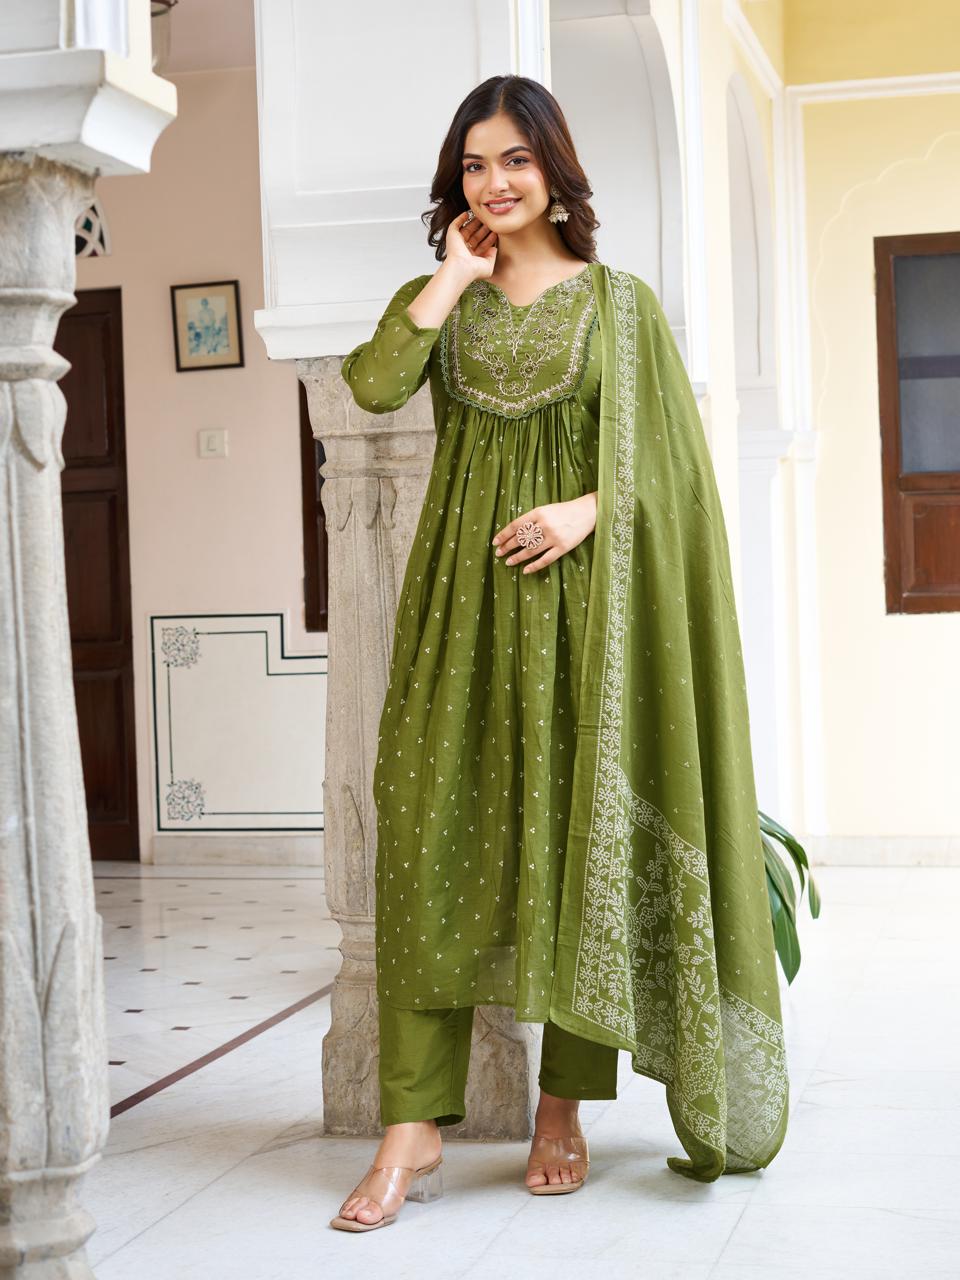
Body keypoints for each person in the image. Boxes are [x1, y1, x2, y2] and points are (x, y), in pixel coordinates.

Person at [331, 74, 788, 1233]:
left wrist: (589, 508)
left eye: (515, 160)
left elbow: (676, 474)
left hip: (585, 618)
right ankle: (411, 1123)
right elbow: (373, 384)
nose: (495, 182)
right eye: (475, 165)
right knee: (428, 836)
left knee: (577, 845)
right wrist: (450, 275)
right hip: (456, 614)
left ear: (554, 168)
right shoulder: (443, 299)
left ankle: (562, 1107)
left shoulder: (621, 309)